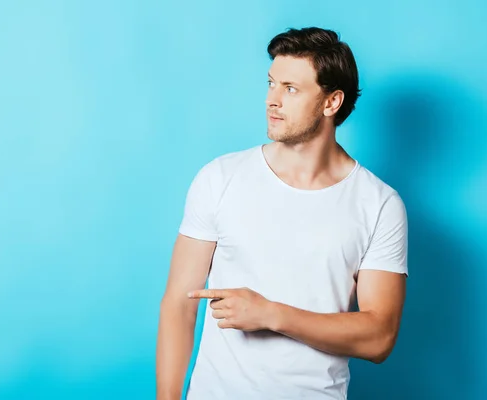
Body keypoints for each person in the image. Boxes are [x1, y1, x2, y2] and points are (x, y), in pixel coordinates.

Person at [156, 27, 408, 400]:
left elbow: (379, 338)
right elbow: (180, 302)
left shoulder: (380, 204)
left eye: (290, 89)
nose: (272, 100)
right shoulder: (220, 177)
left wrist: (272, 315)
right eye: (271, 83)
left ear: (331, 102)